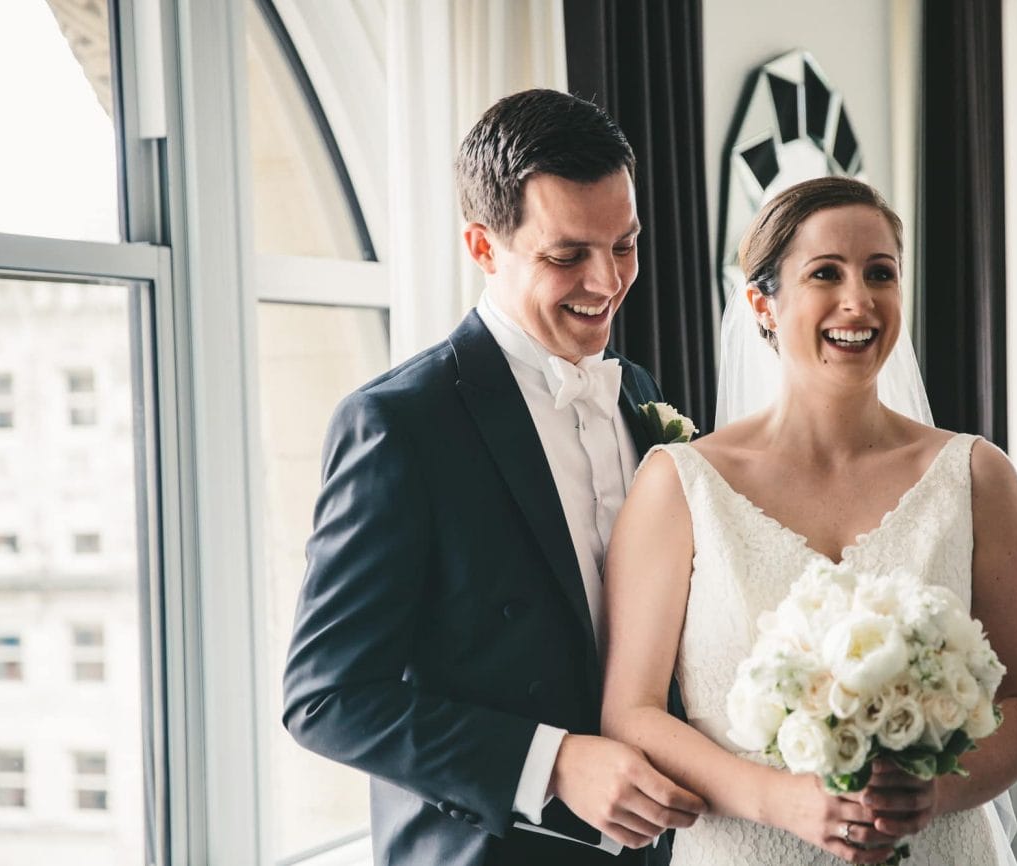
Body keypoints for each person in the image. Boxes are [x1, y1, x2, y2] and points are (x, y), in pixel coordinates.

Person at [282, 88, 705, 866]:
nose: (607, 282)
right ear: (483, 247)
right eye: (567, 254)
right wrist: (550, 763)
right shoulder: (399, 426)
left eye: (625, 245)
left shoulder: (639, 393)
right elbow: (327, 697)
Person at [600, 176, 1017, 865]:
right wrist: (777, 800)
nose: (859, 300)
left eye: (882, 272)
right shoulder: (680, 485)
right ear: (762, 303)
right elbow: (630, 713)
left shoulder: (976, 477)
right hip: (749, 848)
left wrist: (935, 791)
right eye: (825, 273)